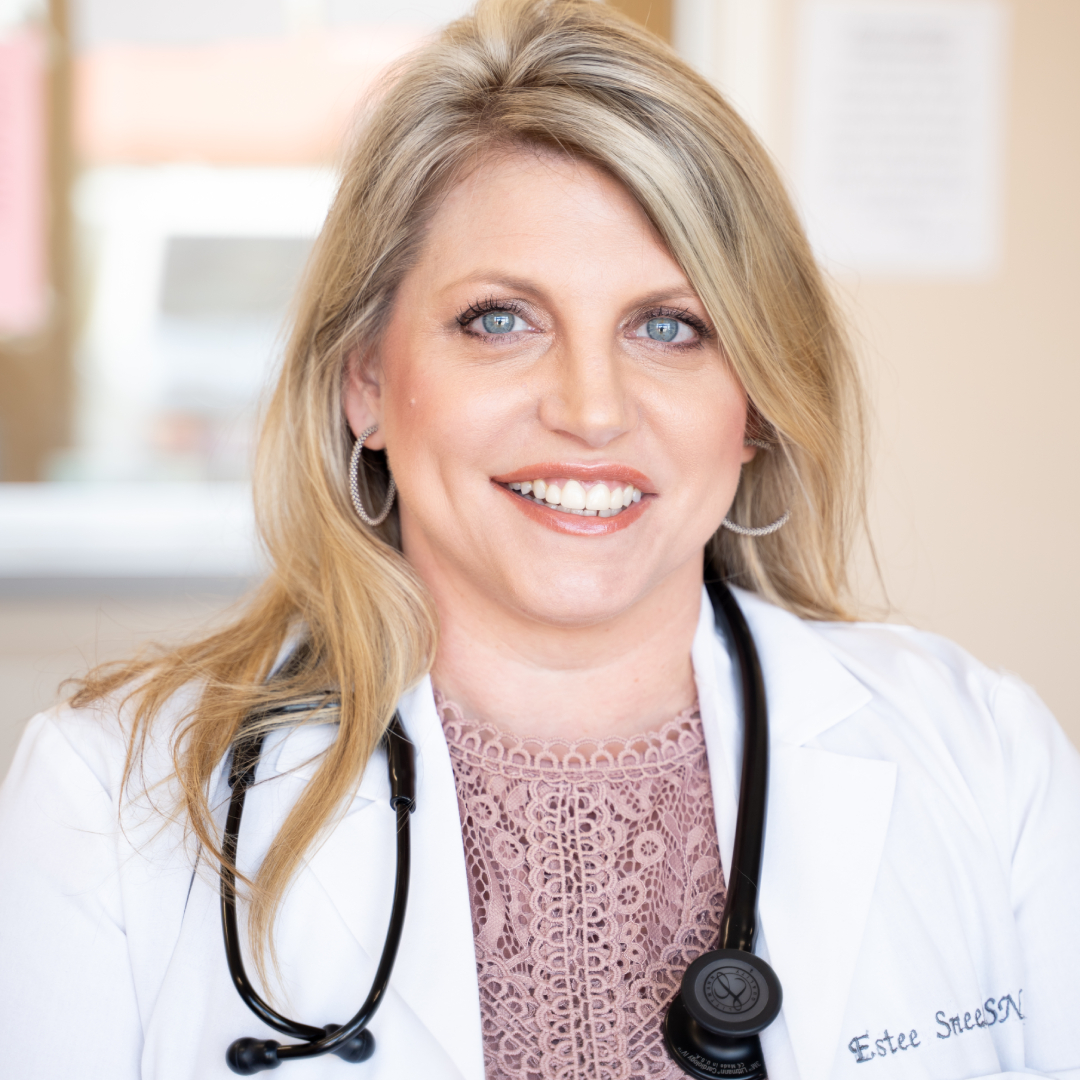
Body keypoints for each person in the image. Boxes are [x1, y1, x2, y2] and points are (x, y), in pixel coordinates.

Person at [1, 1, 1078, 1078]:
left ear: (753, 402)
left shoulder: (987, 761)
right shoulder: (108, 800)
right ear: (365, 381)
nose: (593, 409)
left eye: (670, 327)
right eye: (500, 320)